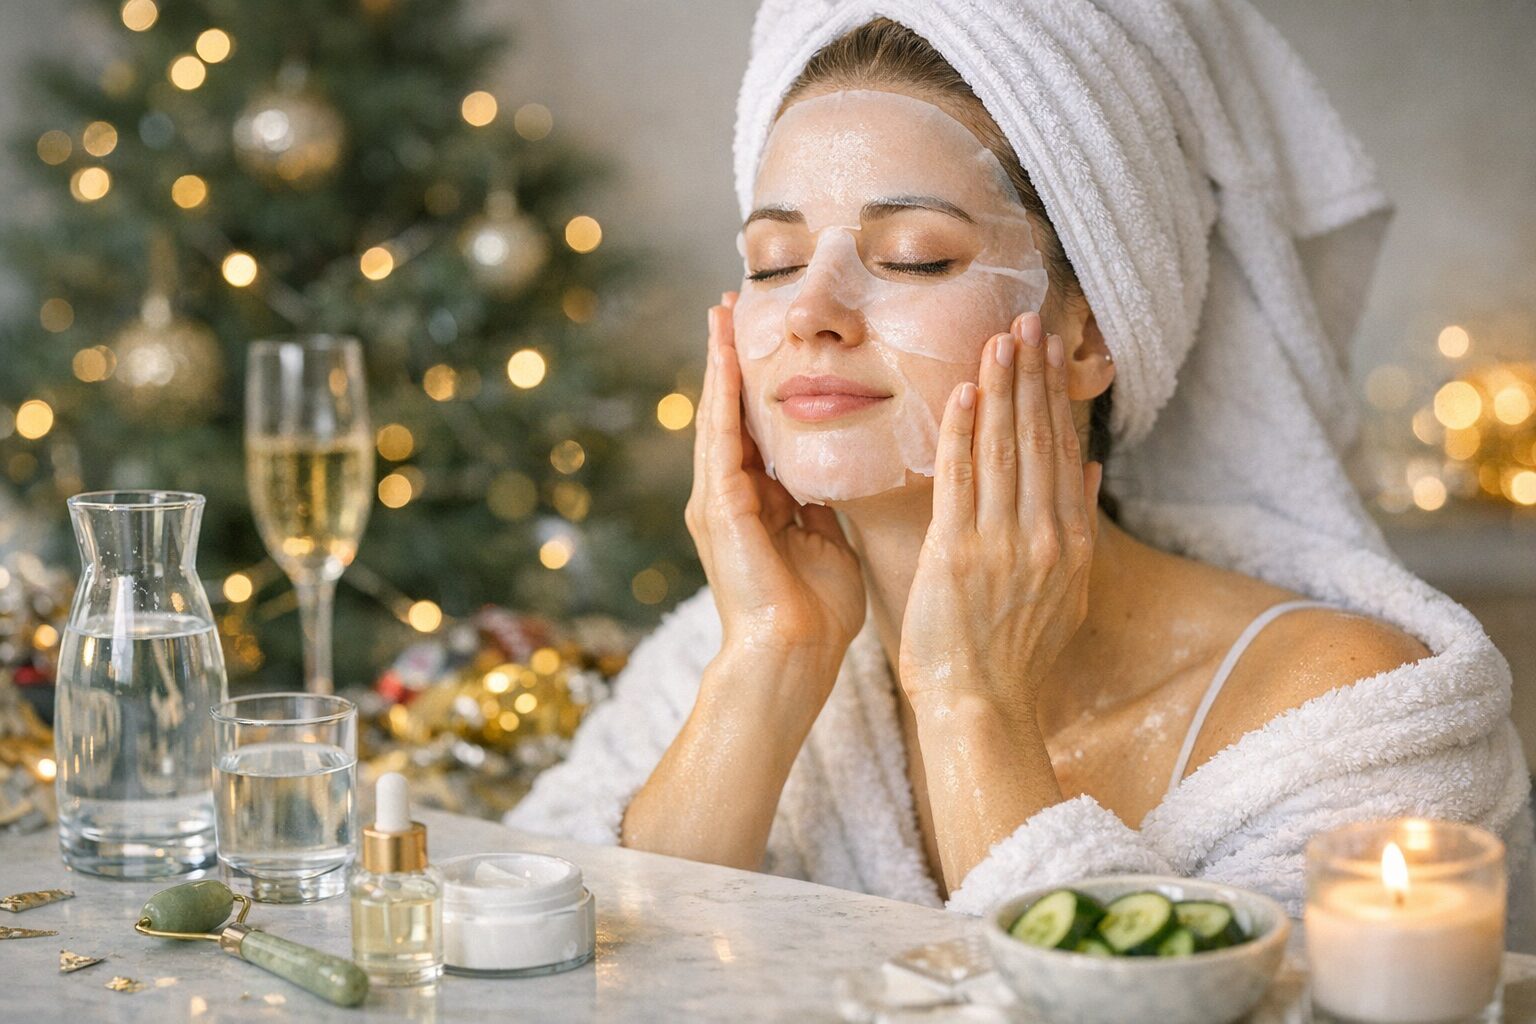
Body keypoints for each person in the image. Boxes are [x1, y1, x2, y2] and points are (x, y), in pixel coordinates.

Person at [509, 4, 1534, 942]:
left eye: (913, 256)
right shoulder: (725, 650)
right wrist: (768, 664)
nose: (810, 309)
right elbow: (534, 969)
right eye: (772, 261)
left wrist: (971, 704)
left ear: (1088, 333)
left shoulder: (1357, 718)